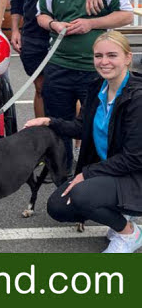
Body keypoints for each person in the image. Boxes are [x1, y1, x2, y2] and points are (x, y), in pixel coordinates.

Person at [25, 31, 142, 253]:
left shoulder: (137, 97)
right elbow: (81, 127)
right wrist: (50, 121)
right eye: (98, 56)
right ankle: (119, 215)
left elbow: (135, 158)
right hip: (113, 170)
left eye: (111, 55)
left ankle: (129, 233)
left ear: (127, 58)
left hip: (135, 174)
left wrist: (87, 174)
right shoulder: (98, 87)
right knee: (58, 207)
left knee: (81, 194)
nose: (104, 62)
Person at [37, 0, 133, 170]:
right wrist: (53, 24)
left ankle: (92, 170)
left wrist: (91, 23)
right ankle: (61, 171)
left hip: (95, 70)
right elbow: (41, 15)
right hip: (59, 66)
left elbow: (127, 15)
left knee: (93, 123)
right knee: (59, 125)